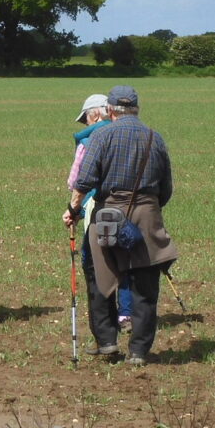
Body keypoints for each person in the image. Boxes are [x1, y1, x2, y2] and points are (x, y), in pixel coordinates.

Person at [64, 85, 178, 366]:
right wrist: (149, 207)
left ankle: (107, 341)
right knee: (145, 282)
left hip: (108, 214)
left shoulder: (101, 135)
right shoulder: (155, 137)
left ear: (110, 110)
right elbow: (166, 187)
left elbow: (84, 180)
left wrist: (73, 210)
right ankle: (138, 351)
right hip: (147, 214)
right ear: (136, 109)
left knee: (99, 276)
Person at [67, 94, 133, 334]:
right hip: (129, 204)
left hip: (97, 207)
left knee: (95, 262)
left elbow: (76, 180)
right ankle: (126, 313)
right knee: (124, 259)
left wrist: (74, 208)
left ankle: (106, 322)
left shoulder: (89, 140)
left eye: (85, 118)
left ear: (95, 114)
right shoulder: (127, 136)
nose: (85, 123)